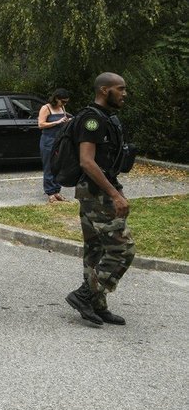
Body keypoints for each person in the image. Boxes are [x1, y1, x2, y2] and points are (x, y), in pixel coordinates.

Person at [65, 73, 135, 326]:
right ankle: (85, 295)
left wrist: (117, 187)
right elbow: (87, 160)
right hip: (96, 194)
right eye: (121, 89)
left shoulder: (104, 117)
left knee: (95, 250)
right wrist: (114, 194)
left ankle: (97, 303)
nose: (125, 93)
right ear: (105, 90)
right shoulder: (92, 119)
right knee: (122, 249)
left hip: (95, 191)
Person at [38, 88, 71, 202]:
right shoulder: (46, 108)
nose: (64, 104)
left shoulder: (62, 108)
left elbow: (63, 120)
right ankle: (50, 192)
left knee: (59, 166)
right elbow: (41, 124)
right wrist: (57, 122)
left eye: (66, 102)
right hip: (48, 140)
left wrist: (67, 121)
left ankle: (57, 191)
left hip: (60, 141)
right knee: (49, 166)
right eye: (63, 101)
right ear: (56, 98)